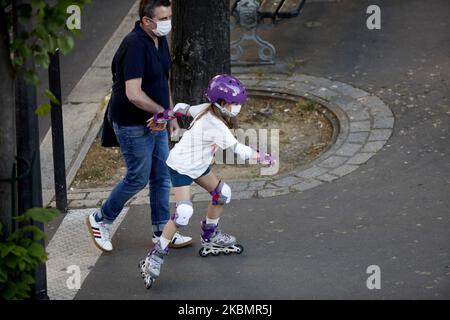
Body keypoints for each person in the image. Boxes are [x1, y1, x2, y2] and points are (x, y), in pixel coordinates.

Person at [139, 74, 275, 288]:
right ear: (221, 103)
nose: (238, 107)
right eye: (235, 104)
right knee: (184, 212)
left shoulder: (206, 107)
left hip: (199, 165)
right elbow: (238, 150)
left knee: (222, 193)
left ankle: (210, 235)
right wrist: (263, 157)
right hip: (181, 166)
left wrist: (163, 116)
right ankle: (155, 255)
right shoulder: (216, 125)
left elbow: (183, 108)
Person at [86, 0, 192, 252]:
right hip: (132, 122)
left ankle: (161, 231)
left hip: (155, 121)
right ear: (146, 20)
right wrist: (163, 112)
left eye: (169, 16)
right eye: (163, 18)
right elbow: (133, 93)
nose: (168, 22)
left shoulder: (159, 39)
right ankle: (100, 219)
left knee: (161, 176)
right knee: (138, 178)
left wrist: (170, 115)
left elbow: (162, 81)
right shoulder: (134, 45)